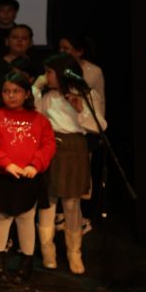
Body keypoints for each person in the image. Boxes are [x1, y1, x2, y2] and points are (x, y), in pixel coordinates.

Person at [0, 71, 56, 284]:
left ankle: (26, 262)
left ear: (27, 94)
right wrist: (5, 163)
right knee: (1, 219)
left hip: (29, 177)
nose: (10, 95)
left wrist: (35, 165)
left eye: (16, 91)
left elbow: (48, 145)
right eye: (6, 91)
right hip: (3, 176)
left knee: (26, 219)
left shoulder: (39, 120)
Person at [33, 53, 106, 274]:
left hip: (75, 148)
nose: (46, 76)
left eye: (49, 72)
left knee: (72, 202)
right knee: (48, 201)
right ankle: (48, 251)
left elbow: (100, 126)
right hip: (52, 146)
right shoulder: (47, 96)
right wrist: (37, 87)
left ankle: (75, 253)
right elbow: (35, 117)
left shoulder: (87, 94)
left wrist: (81, 109)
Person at [0, 23, 38, 102]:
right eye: (15, 37)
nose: (19, 41)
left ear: (30, 43)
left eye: (24, 38)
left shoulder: (37, 65)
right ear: (7, 41)